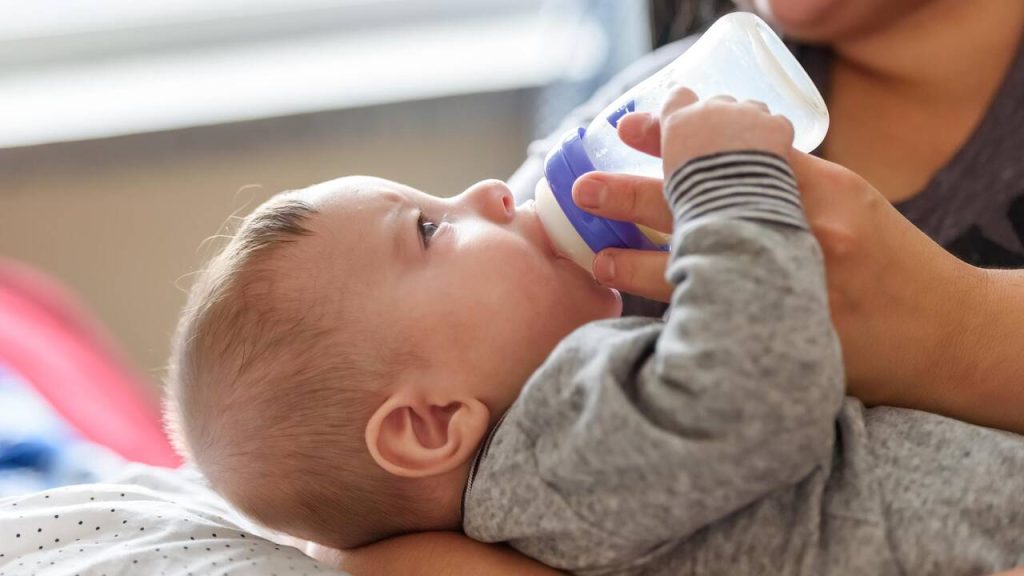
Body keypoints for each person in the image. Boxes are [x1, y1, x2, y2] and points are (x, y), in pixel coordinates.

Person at [164, 87, 1024, 576]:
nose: (492, 193)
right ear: (429, 425)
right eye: (430, 230)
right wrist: (729, 180)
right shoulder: (554, 447)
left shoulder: (555, 470)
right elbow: (756, 391)